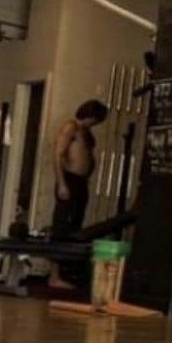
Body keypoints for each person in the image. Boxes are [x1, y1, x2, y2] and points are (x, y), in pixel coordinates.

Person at [47, 98, 108, 289]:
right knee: (61, 227)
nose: (95, 124)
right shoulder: (71, 127)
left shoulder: (87, 133)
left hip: (81, 183)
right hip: (69, 180)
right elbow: (58, 154)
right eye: (95, 120)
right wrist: (62, 184)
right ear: (90, 115)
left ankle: (66, 272)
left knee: (75, 228)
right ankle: (54, 275)